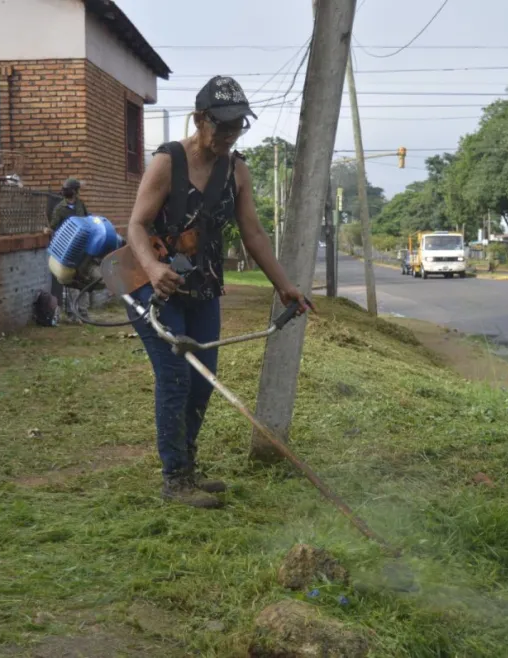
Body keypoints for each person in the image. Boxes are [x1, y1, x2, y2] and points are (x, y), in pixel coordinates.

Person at [126, 75, 312, 509]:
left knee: (203, 381)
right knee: (174, 378)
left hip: (204, 289)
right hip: (155, 288)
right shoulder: (167, 162)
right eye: (223, 126)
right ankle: (175, 479)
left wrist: (285, 287)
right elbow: (135, 224)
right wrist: (153, 269)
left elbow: (254, 235)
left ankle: (187, 467)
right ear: (199, 119)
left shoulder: (237, 170)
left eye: (237, 127)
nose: (229, 135)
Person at [48, 179, 90, 318]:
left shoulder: (80, 204)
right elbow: (54, 226)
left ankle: (83, 312)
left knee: (83, 280)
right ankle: (72, 313)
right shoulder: (60, 208)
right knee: (70, 280)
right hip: (68, 248)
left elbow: (87, 220)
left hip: (82, 246)